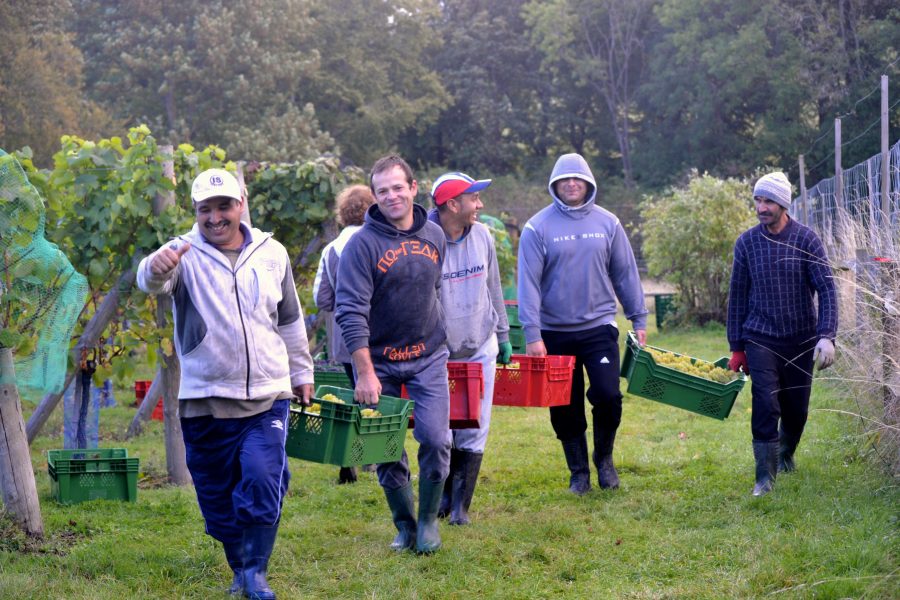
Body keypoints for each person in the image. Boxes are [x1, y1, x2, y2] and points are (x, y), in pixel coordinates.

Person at [137, 168, 314, 600]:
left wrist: (301, 372)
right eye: (205, 210)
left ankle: (255, 572)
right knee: (216, 498)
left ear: (241, 205)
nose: (215, 218)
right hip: (205, 401)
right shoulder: (183, 253)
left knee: (261, 475)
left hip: (266, 396)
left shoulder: (273, 254)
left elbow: (289, 319)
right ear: (196, 213)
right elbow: (151, 279)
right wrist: (154, 265)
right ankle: (239, 563)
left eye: (224, 207)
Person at [334, 155, 450, 554]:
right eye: (382, 190)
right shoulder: (361, 246)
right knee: (386, 449)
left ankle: (429, 520)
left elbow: (434, 288)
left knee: (436, 439)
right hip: (379, 362)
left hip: (429, 355)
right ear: (374, 196)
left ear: (413, 188)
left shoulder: (434, 235)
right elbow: (350, 311)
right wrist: (365, 372)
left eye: (398, 187)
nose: (391, 196)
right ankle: (406, 526)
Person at [518, 153, 648, 494]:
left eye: (578, 178)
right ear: (555, 185)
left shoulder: (609, 223)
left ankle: (603, 459)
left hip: (598, 327)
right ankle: (578, 473)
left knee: (608, 395)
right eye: (565, 179)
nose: (572, 184)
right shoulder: (537, 227)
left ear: (588, 183)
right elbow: (528, 284)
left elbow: (625, 273)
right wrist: (532, 334)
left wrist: (639, 316)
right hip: (553, 333)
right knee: (564, 405)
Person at [726, 171, 837, 497]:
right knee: (765, 402)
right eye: (758, 200)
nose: (761, 207)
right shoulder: (747, 243)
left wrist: (826, 335)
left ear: (783, 204)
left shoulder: (806, 240)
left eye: (768, 201)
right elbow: (738, 296)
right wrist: (737, 346)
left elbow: (827, 289)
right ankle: (764, 477)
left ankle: (785, 452)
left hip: (801, 338)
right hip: (760, 336)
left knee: (796, 408)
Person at [427, 172, 512, 526]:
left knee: (475, 424)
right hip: (438, 350)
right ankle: (442, 497)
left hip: (480, 342)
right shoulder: (425, 241)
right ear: (452, 204)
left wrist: (504, 335)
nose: (480, 205)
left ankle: (461, 505)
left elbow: (493, 286)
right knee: (442, 430)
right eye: (474, 199)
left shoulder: (482, 236)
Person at [313, 184, 376, 484]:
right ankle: (373, 457)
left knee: (355, 394)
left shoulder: (331, 249)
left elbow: (321, 298)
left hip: (345, 338)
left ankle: (347, 460)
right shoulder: (376, 242)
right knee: (378, 397)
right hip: (378, 334)